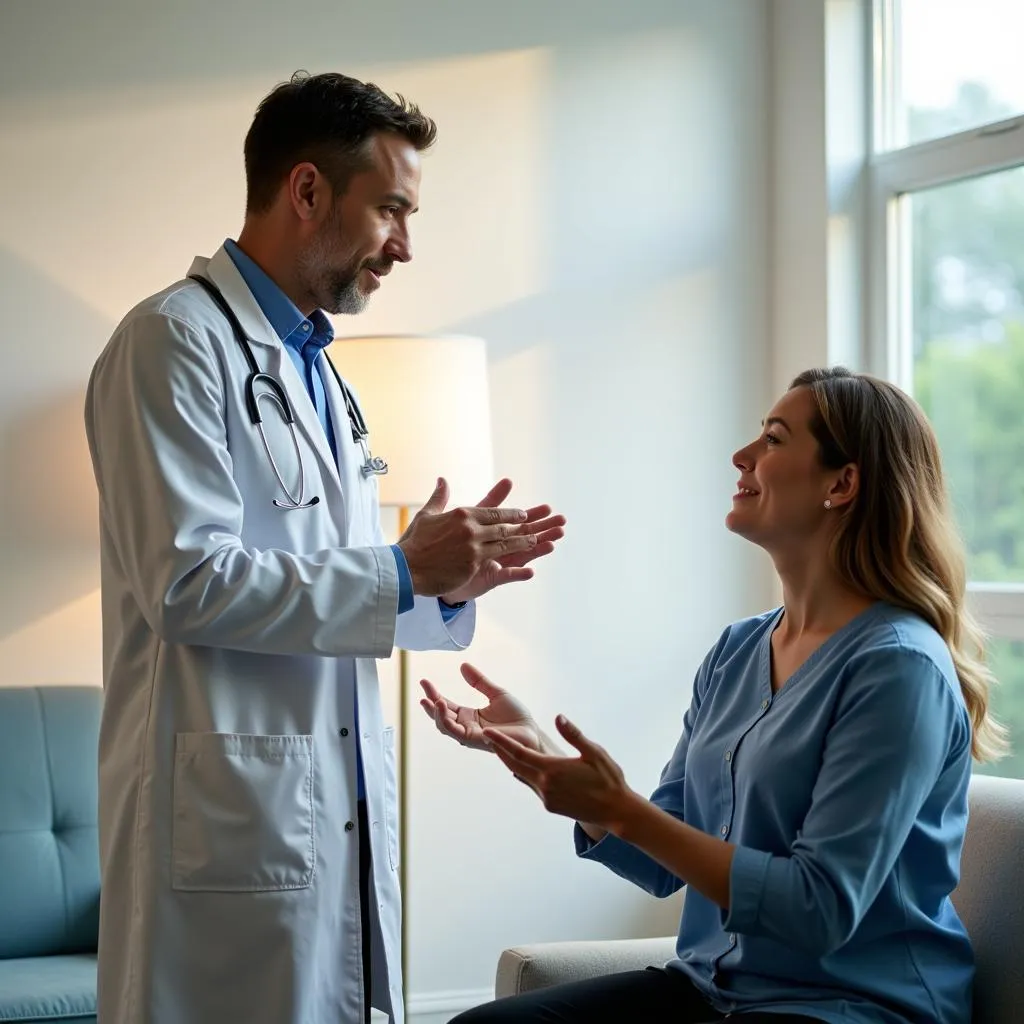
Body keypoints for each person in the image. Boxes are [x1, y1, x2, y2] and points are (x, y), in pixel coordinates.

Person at [84, 70, 565, 1024]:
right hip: (226, 821)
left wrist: (443, 584)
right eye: (392, 209)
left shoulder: (314, 370)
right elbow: (188, 583)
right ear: (307, 191)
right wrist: (399, 568)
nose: (406, 245)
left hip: (310, 801)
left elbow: (327, 584)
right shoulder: (171, 343)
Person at [421, 367, 1007, 1024]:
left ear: (841, 484)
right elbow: (666, 861)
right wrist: (554, 765)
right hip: (711, 989)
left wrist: (621, 808)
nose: (743, 455)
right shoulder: (738, 650)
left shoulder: (898, 667)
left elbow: (821, 910)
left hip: (850, 1007)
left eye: (775, 439)